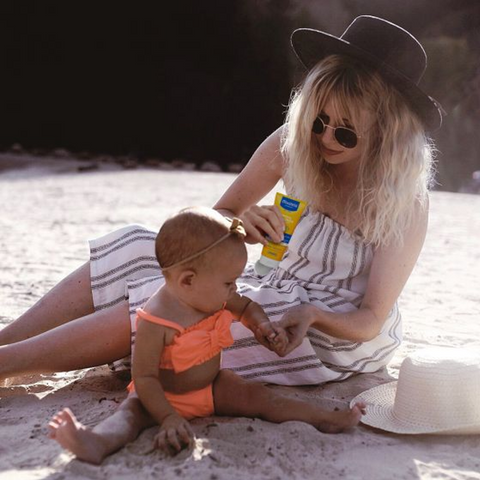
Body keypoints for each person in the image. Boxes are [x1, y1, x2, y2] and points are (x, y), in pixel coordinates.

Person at [0, 16, 443, 387]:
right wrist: (238, 226)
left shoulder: (404, 200)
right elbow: (219, 215)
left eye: (345, 133)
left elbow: (370, 317)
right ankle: (8, 342)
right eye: (318, 122)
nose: (325, 139)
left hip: (334, 329)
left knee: (186, 306)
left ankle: (9, 364)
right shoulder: (291, 145)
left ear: (387, 132)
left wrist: (310, 314)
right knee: (139, 245)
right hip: (274, 285)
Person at [47, 207, 365, 464]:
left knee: (262, 398)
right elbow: (144, 379)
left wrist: (264, 327)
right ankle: (95, 442)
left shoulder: (211, 293)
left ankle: (324, 417)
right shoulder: (156, 319)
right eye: (229, 282)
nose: (235, 288)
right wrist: (168, 417)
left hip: (211, 387)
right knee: (127, 417)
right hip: (160, 396)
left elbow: (246, 307)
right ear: (187, 280)